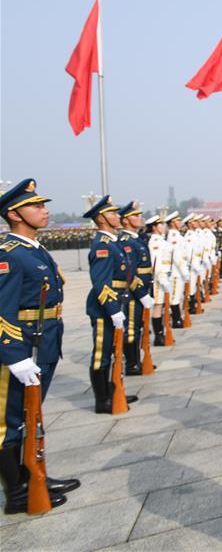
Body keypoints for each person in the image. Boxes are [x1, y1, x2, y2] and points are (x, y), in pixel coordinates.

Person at [0, 178, 81, 514]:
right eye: (35, 206)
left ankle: (34, 475)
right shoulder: (9, 255)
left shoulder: (34, 250)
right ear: (14, 214)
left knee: (30, 414)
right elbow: (2, 309)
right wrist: (14, 355)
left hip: (44, 341)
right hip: (21, 347)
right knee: (11, 421)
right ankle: (17, 493)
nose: (44, 211)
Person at [83, 196, 139, 413]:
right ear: (101, 218)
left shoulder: (113, 243)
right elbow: (101, 283)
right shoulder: (102, 246)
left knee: (114, 350)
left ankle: (112, 390)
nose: (118, 216)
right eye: (113, 213)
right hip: (104, 308)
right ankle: (102, 399)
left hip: (117, 301)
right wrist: (113, 310)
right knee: (102, 352)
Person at [117, 202, 155, 375]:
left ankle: (137, 360)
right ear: (125, 220)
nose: (139, 218)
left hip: (143, 288)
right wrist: (141, 294)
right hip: (133, 293)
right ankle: (132, 364)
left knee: (139, 326)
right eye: (135, 216)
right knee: (132, 328)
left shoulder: (136, 239)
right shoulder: (126, 241)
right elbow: (129, 272)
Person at [145, 214, 173, 346]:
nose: (163, 226)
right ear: (154, 227)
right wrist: (163, 280)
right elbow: (156, 264)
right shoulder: (155, 242)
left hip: (165, 277)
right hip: (158, 279)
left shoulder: (161, 240)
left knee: (161, 306)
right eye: (160, 224)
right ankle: (158, 335)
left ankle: (161, 333)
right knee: (157, 306)